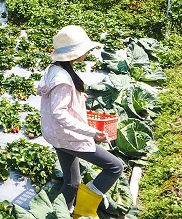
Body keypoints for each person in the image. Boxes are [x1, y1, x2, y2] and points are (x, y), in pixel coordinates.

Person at [37, 25, 123, 219]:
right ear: (74, 53)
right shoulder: (63, 79)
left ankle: (64, 213)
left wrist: (77, 97)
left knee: (72, 181)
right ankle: (83, 211)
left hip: (56, 134)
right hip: (68, 136)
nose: (86, 52)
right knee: (115, 166)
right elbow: (60, 113)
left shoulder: (54, 69)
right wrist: (92, 132)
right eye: (84, 49)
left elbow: (57, 102)